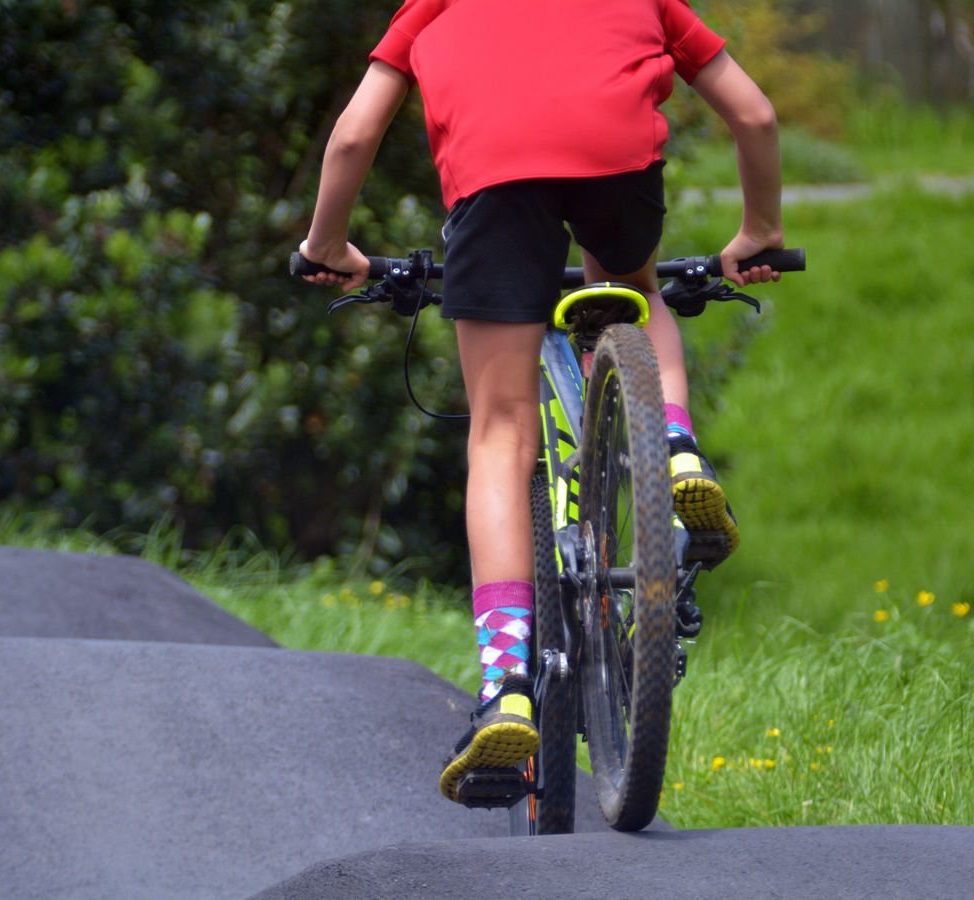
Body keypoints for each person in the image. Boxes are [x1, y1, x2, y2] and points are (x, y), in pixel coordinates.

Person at [297, 0, 784, 804]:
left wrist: (325, 245)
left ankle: (506, 688)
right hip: (615, 162)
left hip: (495, 179)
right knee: (631, 289)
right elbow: (756, 114)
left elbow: (352, 136)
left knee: (498, 432)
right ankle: (677, 446)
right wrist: (759, 229)